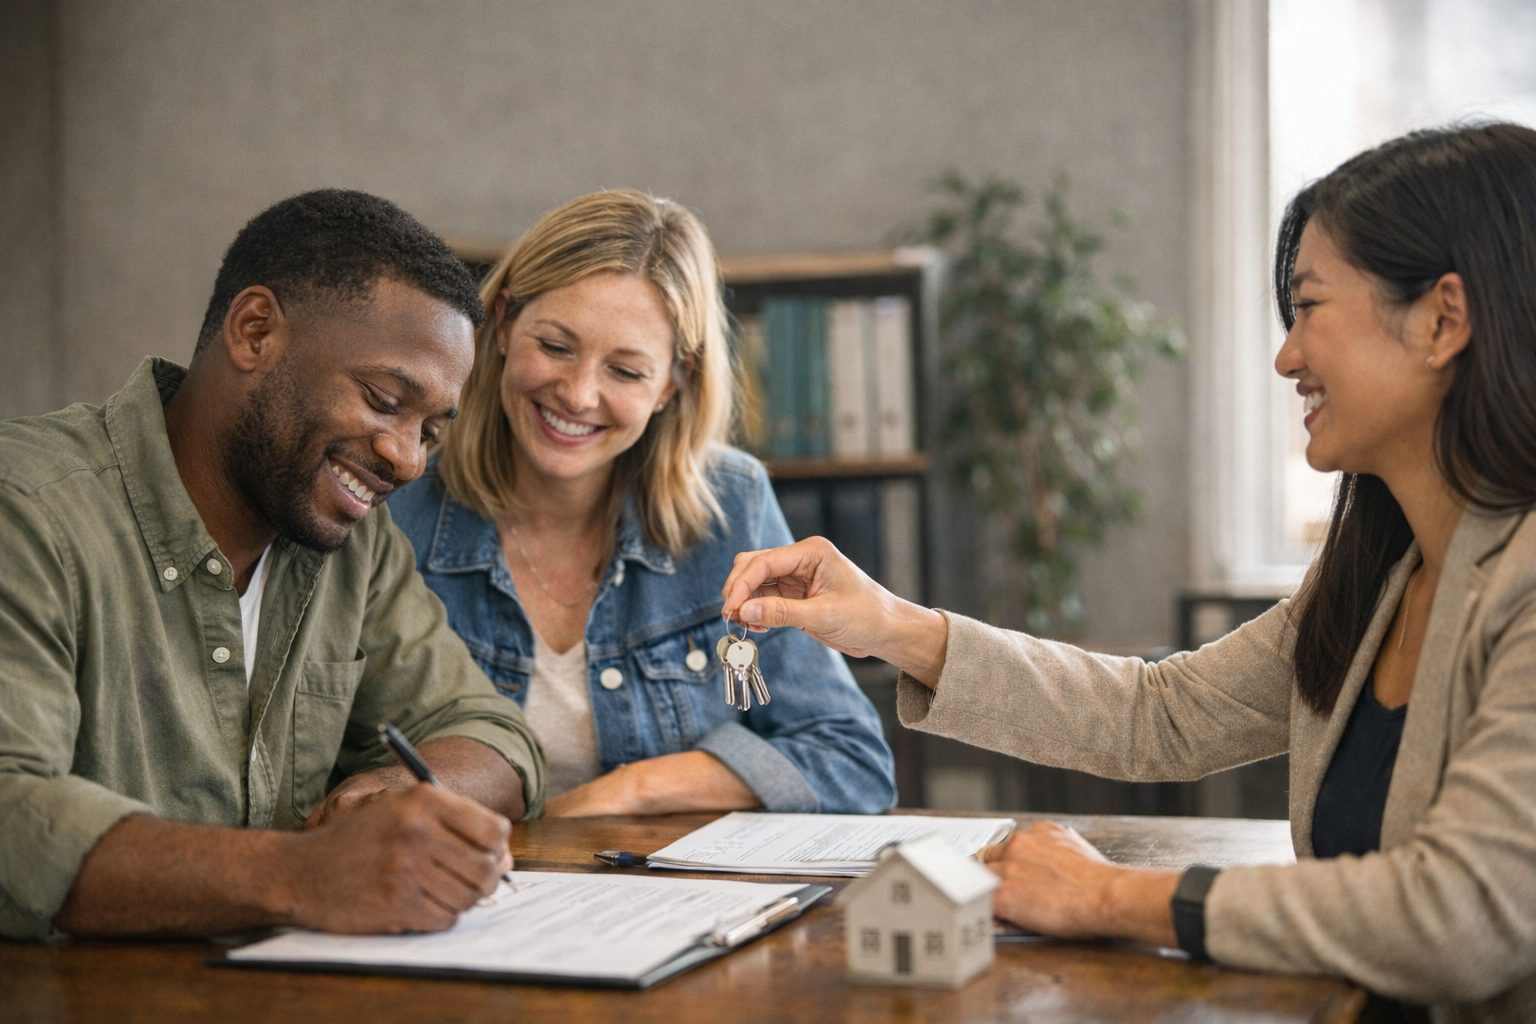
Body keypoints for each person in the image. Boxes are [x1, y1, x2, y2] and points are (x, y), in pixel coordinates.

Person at [721, 123, 1536, 1022]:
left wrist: (1107, 897)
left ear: (1443, 319)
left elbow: (1461, 917)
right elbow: (1163, 715)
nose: (1286, 355)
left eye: (1308, 307)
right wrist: (889, 625)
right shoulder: (1381, 578)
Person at [0, 189, 546, 942]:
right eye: (385, 400)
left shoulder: (356, 541)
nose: (406, 459)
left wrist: (395, 796)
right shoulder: (25, 510)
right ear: (254, 331)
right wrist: (306, 875)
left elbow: (492, 734)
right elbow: (10, 810)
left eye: (431, 431)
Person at [389, 189, 894, 816]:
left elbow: (852, 761)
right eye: (554, 346)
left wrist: (636, 788)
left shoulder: (730, 505)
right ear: (503, 323)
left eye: (625, 372)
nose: (577, 395)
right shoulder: (397, 506)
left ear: (672, 384)